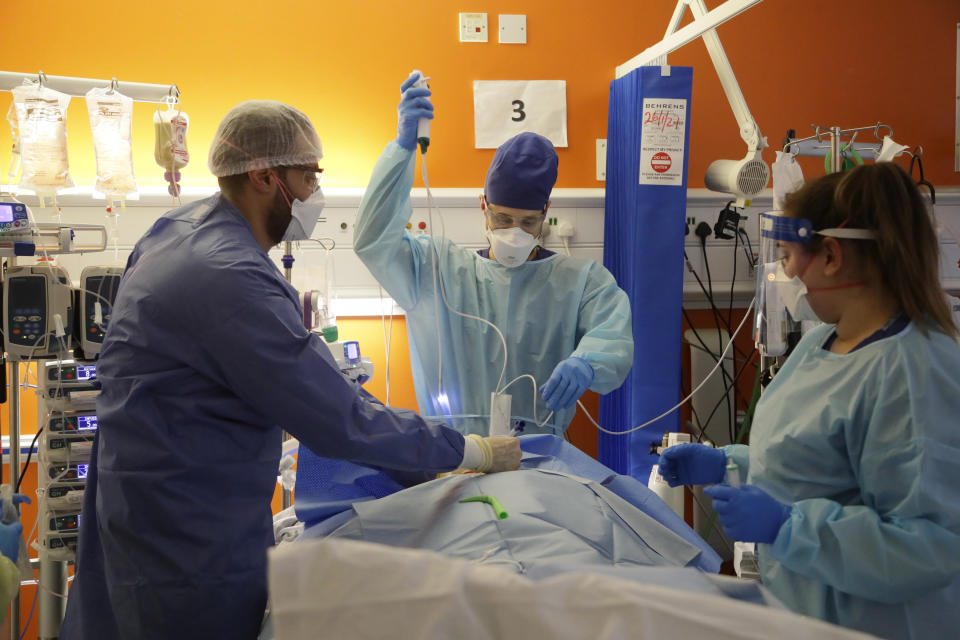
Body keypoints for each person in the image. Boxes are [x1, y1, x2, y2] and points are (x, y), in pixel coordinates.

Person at [60, 100, 521, 640]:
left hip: (141, 502)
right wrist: (472, 451)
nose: (313, 197)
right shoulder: (229, 276)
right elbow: (342, 420)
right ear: (263, 176)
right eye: (307, 179)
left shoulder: (178, 229)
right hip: (187, 540)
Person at [657, 162, 960, 640]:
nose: (789, 273)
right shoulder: (824, 342)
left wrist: (789, 527)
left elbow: (929, 547)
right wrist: (726, 465)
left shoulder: (911, 369)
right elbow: (808, 464)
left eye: (788, 255)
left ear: (832, 255)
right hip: (806, 610)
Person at [354, 73, 633, 436]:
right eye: (502, 218)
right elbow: (372, 240)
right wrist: (402, 149)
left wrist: (587, 363)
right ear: (483, 205)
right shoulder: (436, 270)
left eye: (528, 221)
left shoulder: (581, 282)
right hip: (454, 454)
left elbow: (613, 339)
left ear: (546, 211)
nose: (514, 232)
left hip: (536, 461)